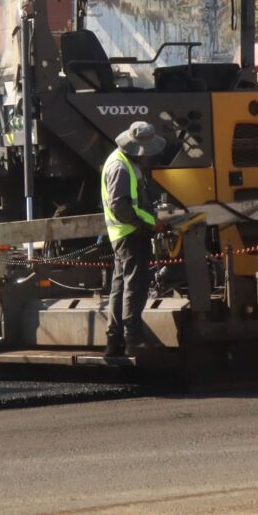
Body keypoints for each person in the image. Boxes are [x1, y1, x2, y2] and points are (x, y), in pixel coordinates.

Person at [101, 120, 167, 365]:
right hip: (130, 234)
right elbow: (120, 206)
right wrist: (149, 225)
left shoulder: (123, 161)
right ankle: (133, 338)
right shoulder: (121, 167)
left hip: (123, 234)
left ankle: (114, 340)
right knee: (134, 287)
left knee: (119, 287)